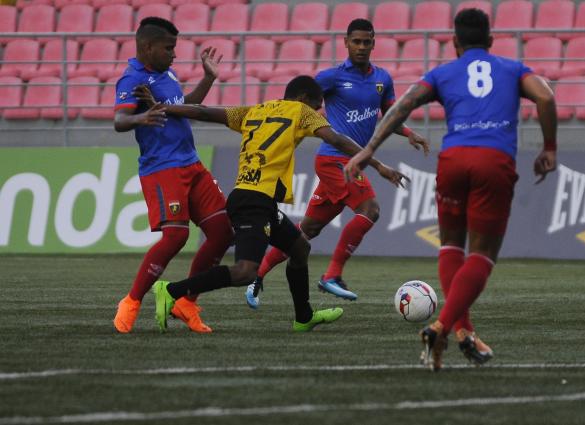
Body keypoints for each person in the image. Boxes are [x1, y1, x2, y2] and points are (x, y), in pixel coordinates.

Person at [345, 9, 558, 371]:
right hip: (494, 161)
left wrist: (369, 149)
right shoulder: (512, 68)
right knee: (482, 255)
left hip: (453, 160)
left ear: (455, 42)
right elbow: (546, 97)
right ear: (491, 41)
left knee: (449, 246)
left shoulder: (443, 73)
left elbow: (404, 104)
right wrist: (549, 146)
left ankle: (463, 334)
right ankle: (441, 327)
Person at [135, 75, 407, 332]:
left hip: (255, 199)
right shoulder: (300, 111)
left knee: (299, 248)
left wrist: (165, 109)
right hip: (252, 202)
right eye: (317, 106)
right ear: (303, 98)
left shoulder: (253, 111)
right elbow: (335, 139)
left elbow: (204, 112)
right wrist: (377, 164)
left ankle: (304, 317)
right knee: (245, 271)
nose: (318, 112)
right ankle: (171, 290)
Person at [245, 18, 429, 308]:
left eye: (366, 42)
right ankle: (332, 275)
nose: (361, 47)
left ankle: (257, 276)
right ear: (345, 42)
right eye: (356, 41)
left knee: (305, 232)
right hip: (334, 160)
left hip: (350, 161)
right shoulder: (330, 77)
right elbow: (299, 103)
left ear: (373, 43)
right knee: (370, 210)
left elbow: (389, 114)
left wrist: (408, 133)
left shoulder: (383, 79)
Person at [112, 17, 233, 334]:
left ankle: (186, 302)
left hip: (191, 164)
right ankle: (132, 301)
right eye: (169, 48)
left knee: (223, 231)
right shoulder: (132, 80)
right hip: (162, 168)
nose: (174, 54)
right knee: (176, 235)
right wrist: (143, 115)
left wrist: (208, 79)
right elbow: (120, 121)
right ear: (148, 47)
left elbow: (186, 105)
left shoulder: (166, 73)